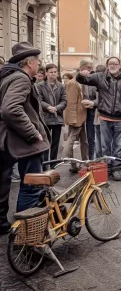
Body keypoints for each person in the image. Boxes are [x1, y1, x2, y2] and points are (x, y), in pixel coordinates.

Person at [0, 42, 50, 235]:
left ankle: (4, 225)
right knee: (31, 185)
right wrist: (32, 132)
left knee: (3, 183)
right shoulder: (21, 79)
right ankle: (26, 233)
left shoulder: (7, 76)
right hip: (22, 142)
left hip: (7, 140)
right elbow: (10, 109)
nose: (39, 65)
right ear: (30, 62)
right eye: (38, 61)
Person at [76, 57, 121, 181]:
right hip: (105, 117)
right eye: (110, 63)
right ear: (107, 65)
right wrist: (80, 74)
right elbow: (84, 80)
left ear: (120, 65)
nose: (113, 66)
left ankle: (117, 169)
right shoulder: (100, 77)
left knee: (119, 145)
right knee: (105, 146)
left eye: (115, 63)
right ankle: (107, 168)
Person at [37, 63, 67, 169]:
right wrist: (48, 107)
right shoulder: (39, 86)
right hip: (45, 118)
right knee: (46, 143)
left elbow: (64, 100)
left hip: (57, 118)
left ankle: (53, 163)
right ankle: (45, 164)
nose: (53, 74)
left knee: (55, 143)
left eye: (55, 72)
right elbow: (39, 100)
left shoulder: (61, 86)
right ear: (46, 73)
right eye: (51, 72)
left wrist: (56, 108)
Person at [62, 60, 89, 173]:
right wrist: (73, 119)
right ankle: (66, 159)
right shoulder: (73, 83)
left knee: (84, 141)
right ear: (81, 69)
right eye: (88, 68)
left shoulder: (77, 83)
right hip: (76, 118)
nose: (90, 70)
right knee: (72, 139)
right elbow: (71, 103)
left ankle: (84, 162)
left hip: (81, 117)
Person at [80, 59, 97, 160]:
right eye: (88, 68)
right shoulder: (76, 78)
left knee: (91, 136)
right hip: (79, 111)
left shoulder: (94, 78)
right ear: (82, 67)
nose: (90, 70)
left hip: (91, 109)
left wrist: (92, 103)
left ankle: (91, 158)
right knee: (80, 137)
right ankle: (81, 160)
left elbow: (99, 95)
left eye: (91, 68)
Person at [94, 64, 106, 158]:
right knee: (101, 139)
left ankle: (99, 158)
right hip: (100, 115)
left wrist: (92, 103)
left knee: (99, 139)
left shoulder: (97, 83)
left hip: (101, 115)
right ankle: (101, 158)